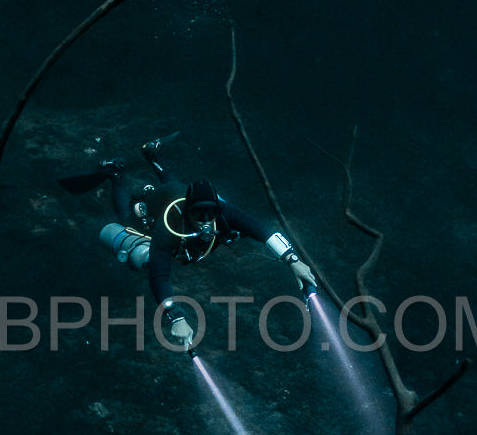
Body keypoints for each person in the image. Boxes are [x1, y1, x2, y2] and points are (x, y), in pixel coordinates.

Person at [59, 135, 317, 348]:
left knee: (175, 184)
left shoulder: (223, 212)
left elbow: (263, 231)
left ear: (217, 209)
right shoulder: (168, 227)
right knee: (128, 215)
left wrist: (292, 260)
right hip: (161, 202)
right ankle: (116, 174)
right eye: (199, 215)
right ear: (187, 212)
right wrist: (175, 316)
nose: (206, 221)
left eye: (210, 214)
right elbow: (159, 276)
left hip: (179, 193)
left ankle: (152, 154)